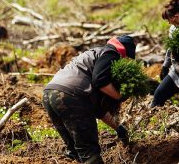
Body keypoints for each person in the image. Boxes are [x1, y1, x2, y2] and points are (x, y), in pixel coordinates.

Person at [42, 35, 136, 164]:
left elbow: (99, 110)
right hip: (71, 95)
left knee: (75, 151)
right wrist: (119, 96)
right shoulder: (111, 53)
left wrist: (118, 128)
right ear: (125, 52)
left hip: (50, 94)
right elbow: (100, 81)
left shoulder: (94, 54)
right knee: (89, 152)